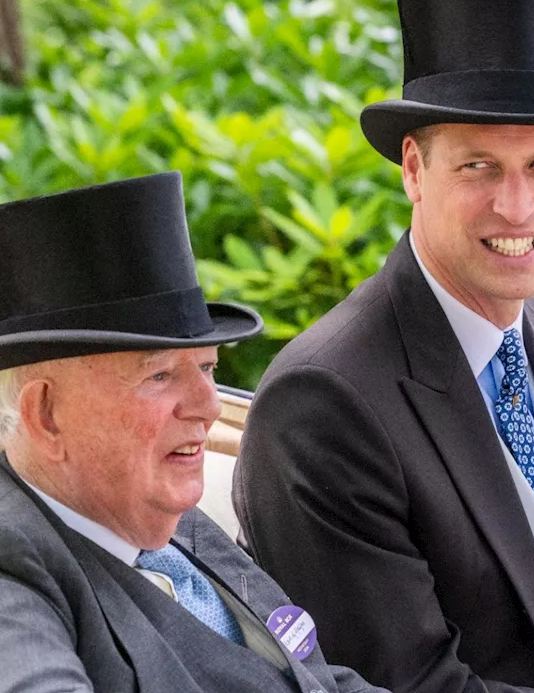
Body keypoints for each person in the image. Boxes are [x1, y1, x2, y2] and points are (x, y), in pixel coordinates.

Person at [232, 0, 534, 691]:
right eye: (479, 166)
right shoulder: (322, 403)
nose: (517, 207)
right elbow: (408, 682)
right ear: (414, 170)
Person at [0, 172, 388, 693]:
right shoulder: (15, 568)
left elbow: (314, 679)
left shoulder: (159, 513)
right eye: (158, 375)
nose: (208, 407)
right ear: (45, 414)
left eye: (207, 368)